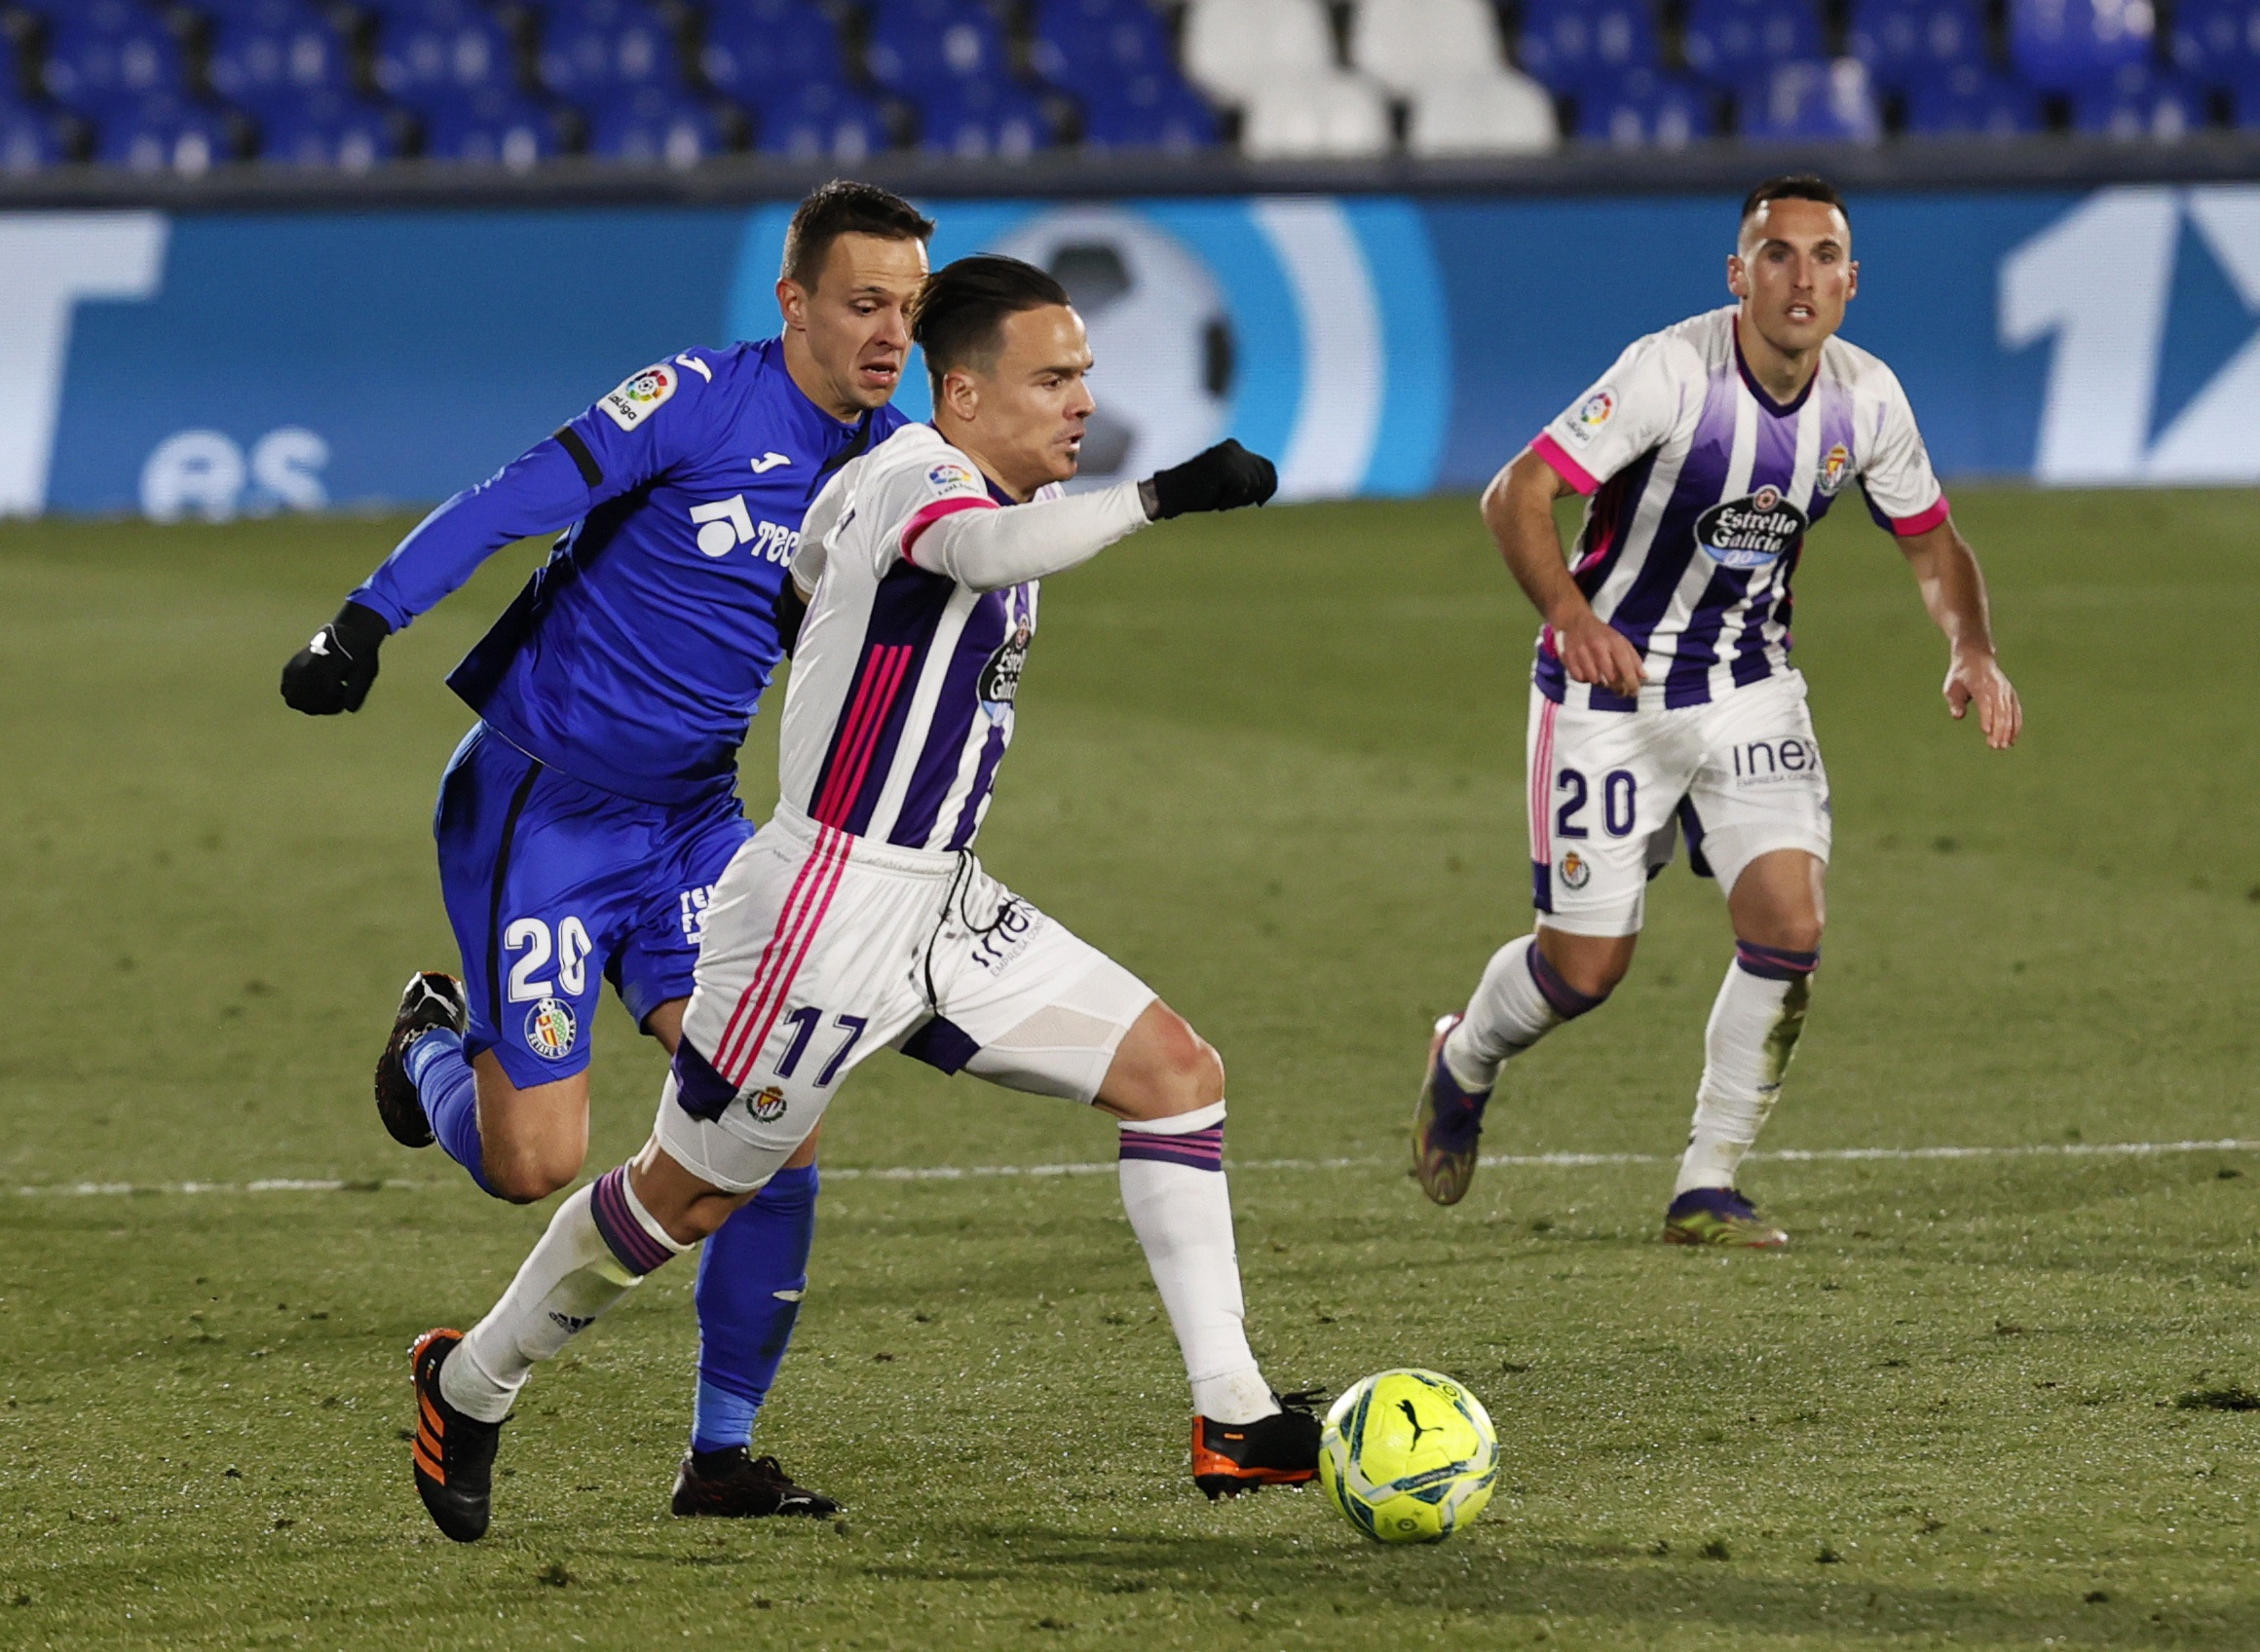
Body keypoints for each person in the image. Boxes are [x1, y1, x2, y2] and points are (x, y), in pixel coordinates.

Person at [400, 254, 1314, 1543]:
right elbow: (981, 550)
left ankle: (1232, 1415)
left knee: (1177, 1074)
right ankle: (473, 1380)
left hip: (942, 901)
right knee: (689, 1196)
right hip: (821, 919)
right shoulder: (921, 480)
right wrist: (1156, 498)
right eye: (1053, 378)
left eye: (1085, 378)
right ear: (966, 393)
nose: (1080, 402)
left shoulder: (917, 483)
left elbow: (829, 576)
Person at [280, 180, 935, 1517]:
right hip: (546, 809)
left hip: (693, 821)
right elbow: (509, 498)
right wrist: (362, 622)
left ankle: (721, 1455)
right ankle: (426, 1040)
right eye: (867, 303)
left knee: (774, 1114)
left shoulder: (890, 458)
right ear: (795, 299)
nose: (889, 335)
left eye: (912, 312)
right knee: (536, 1166)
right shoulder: (696, 399)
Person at [1412, 174, 2022, 1245]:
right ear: (1737, 274)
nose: (1801, 277)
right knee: (1583, 970)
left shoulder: (1866, 397)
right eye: (1775, 255)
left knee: (1790, 925)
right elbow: (1515, 490)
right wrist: (1565, 614)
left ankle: (1707, 1182)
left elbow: (1929, 540)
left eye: (1823, 256)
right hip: (1608, 695)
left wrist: (1970, 647)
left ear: (1851, 280)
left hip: (1749, 688)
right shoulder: (1670, 373)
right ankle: (1464, 1058)